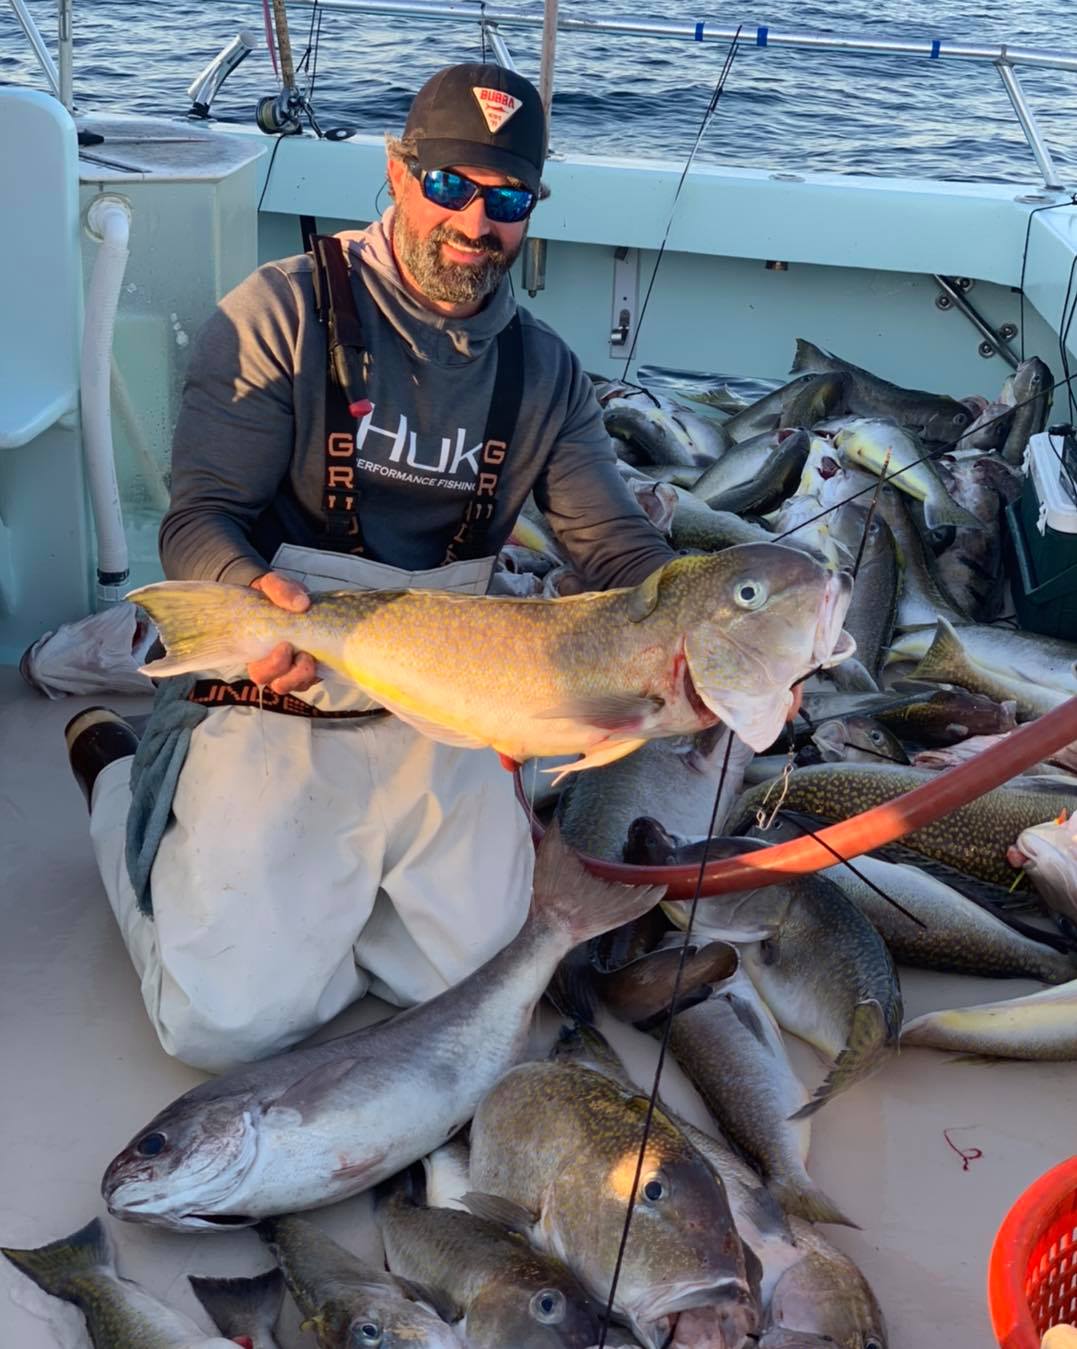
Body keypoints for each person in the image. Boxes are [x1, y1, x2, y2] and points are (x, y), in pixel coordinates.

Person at [67, 62, 679, 1073]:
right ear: (398, 172)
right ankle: (125, 788)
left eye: (509, 199)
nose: (477, 223)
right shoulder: (278, 314)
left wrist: (710, 620)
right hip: (277, 692)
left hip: (448, 707)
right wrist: (246, 597)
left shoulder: (546, 375)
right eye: (450, 186)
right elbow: (201, 518)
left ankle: (305, 903)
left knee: (472, 994)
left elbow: (620, 550)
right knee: (225, 1026)